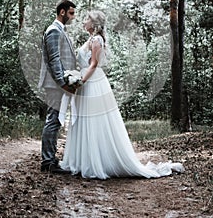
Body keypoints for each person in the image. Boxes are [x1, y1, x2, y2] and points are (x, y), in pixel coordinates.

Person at [60, 10, 185, 179]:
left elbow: (94, 64)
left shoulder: (96, 40)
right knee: (84, 120)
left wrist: (81, 81)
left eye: (87, 19)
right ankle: (84, 160)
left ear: (94, 23)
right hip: (86, 81)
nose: (84, 21)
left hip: (92, 82)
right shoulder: (90, 39)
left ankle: (96, 162)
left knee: (93, 121)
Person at [38, 0, 77, 174]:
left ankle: (50, 158)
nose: (73, 16)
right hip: (54, 84)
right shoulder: (53, 30)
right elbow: (54, 59)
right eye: (71, 13)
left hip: (58, 83)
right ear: (62, 12)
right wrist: (63, 83)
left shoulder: (62, 31)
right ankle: (47, 162)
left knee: (55, 119)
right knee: (53, 120)